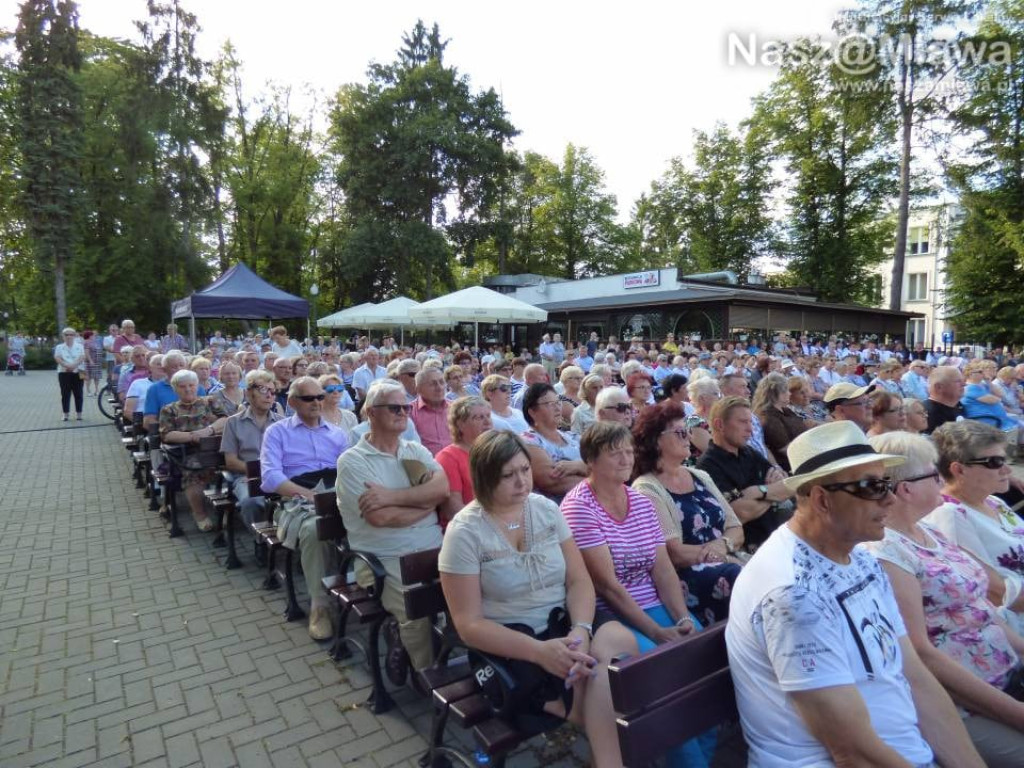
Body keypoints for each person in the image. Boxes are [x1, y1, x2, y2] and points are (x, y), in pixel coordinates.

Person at [726, 420, 986, 768]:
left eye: (887, 483)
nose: (890, 498)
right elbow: (851, 753)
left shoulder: (861, 558)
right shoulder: (793, 595)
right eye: (872, 487)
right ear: (822, 500)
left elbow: (914, 674)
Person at [439, 430, 634, 768]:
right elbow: (468, 625)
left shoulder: (545, 509)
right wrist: (540, 652)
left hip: (564, 621)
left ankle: (605, 757)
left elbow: (578, 580)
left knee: (620, 646)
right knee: (608, 696)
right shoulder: (465, 532)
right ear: (485, 477)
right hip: (512, 638)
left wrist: (581, 631)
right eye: (508, 475)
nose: (522, 482)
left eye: (525, 470)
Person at [864, 431, 1024, 766]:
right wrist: (1017, 713)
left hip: (1008, 673)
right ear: (906, 489)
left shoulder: (929, 531)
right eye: (933, 474)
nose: (942, 481)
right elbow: (921, 655)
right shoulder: (886, 553)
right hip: (967, 705)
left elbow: (982, 608)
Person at [561, 422, 712, 767]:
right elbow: (607, 586)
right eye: (614, 453)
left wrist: (682, 617)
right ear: (591, 461)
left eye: (628, 451)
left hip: (655, 604)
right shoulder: (579, 507)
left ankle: (702, 754)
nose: (626, 459)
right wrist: (657, 632)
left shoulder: (641, 502)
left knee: (706, 667)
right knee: (665, 685)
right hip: (614, 616)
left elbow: (663, 569)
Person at [337, 379, 449, 676]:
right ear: (371, 413)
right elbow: (381, 518)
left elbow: (442, 489)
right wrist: (425, 504)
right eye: (394, 408)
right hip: (383, 558)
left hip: (434, 549)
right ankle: (426, 675)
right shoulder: (352, 461)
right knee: (418, 605)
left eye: (405, 407)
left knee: (478, 588)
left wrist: (390, 497)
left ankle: (463, 664)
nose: (403, 413)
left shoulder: (415, 450)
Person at [631, 401, 743, 625]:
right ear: (656, 440)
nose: (688, 438)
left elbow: (736, 527)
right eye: (681, 433)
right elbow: (674, 552)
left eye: (688, 431)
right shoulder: (647, 488)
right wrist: (722, 556)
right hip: (687, 577)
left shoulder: (700, 475)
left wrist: (722, 547)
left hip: (726, 559)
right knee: (741, 578)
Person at [260, 375, 350, 640]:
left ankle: (369, 587)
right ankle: (319, 606)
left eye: (320, 396)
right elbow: (270, 477)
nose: (316, 402)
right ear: (292, 402)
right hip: (295, 499)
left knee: (372, 519)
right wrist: (307, 494)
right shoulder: (277, 432)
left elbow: (350, 470)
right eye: (308, 398)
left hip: (335, 495)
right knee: (315, 529)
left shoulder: (337, 433)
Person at [924, 420, 1024, 618]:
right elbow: (996, 593)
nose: (1007, 470)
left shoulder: (993, 501)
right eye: (995, 462)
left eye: (1004, 460)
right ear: (959, 470)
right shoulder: (950, 515)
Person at [696, 397, 793, 551]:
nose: (750, 430)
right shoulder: (708, 466)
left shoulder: (748, 452)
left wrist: (759, 491)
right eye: (743, 422)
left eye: (750, 422)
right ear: (719, 425)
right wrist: (773, 495)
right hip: (748, 547)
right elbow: (741, 513)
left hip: (777, 538)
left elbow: (787, 486)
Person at [158, 369, 227, 531]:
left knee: (232, 469)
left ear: (197, 385)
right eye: (183, 386)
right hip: (188, 453)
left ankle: (225, 512)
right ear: (175, 389)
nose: (188, 389)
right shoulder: (169, 409)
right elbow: (167, 435)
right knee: (194, 472)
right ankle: (200, 514)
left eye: (191, 385)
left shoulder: (210, 401)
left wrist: (208, 431)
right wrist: (192, 436)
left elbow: (226, 420)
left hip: (217, 449)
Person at [221, 369, 281, 520]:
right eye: (263, 390)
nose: (269, 395)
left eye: (272, 391)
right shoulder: (233, 422)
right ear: (248, 393)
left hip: (278, 474)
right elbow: (231, 462)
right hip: (247, 476)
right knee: (251, 501)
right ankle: (258, 534)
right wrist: (258, 471)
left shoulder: (282, 422)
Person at [521, 383, 587, 504]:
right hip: (557, 509)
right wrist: (596, 476)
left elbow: (604, 465)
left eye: (558, 402)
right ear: (532, 412)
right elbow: (552, 482)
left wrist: (578, 466)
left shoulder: (573, 437)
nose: (557, 408)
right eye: (550, 404)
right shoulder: (528, 442)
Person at [435, 396, 492, 526]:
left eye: (488, 416)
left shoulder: (494, 451)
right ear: (460, 424)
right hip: (468, 529)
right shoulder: (448, 457)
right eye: (478, 417)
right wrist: (491, 526)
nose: (487, 422)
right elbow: (452, 509)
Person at [752, 372, 808, 472]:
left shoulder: (785, 410)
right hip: (794, 465)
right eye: (786, 390)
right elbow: (786, 450)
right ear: (777, 393)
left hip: (805, 453)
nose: (789, 393)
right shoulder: (768, 417)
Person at [410, 366, 451, 456]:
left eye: (442, 382)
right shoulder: (409, 412)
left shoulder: (456, 408)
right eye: (433, 384)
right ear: (418, 389)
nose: (439, 388)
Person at [684, 376, 720, 461]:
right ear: (702, 398)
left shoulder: (718, 418)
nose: (719, 397)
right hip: (704, 466)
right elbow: (711, 450)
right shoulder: (693, 421)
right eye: (715, 394)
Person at [54, 328, 86, 421]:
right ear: (63, 336)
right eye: (66, 335)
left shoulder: (80, 346)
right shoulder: (59, 347)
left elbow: (82, 357)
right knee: (65, 394)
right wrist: (66, 365)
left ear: (74, 336)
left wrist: (73, 365)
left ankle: (79, 413)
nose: (69, 337)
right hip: (63, 372)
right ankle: (65, 414)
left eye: (71, 335)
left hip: (79, 371)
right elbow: (57, 358)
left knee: (79, 393)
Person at [926, 365, 966, 434]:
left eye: (963, 380)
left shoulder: (958, 406)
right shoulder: (927, 414)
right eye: (958, 381)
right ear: (939, 387)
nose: (964, 384)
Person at [318, 373, 358, 441]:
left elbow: (355, 441)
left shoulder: (350, 416)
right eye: (331, 389)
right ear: (321, 392)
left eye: (339, 388)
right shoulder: (315, 418)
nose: (336, 392)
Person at [124, 354, 165, 421]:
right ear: (150, 367)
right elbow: (128, 411)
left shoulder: (175, 385)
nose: (162, 367)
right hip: (144, 422)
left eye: (164, 365)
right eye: (158, 364)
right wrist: (144, 424)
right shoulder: (137, 384)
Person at [557, 366, 585, 430]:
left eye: (582, 378)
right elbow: (578, 421)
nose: (580, 380)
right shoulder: (561, 400)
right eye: (577, 378)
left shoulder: (586, 397)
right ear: (566, 381)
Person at [82, 330, 104, 395]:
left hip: (97, 362)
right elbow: (86, 352)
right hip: (89, 362)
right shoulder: (86, 342)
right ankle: (88, 391)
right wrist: (90, 360)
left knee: (96, 377)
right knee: (88, 377)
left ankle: (97, 390)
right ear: (89, 336)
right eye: (92, 335)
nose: (94, 336)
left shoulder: (95, 342)